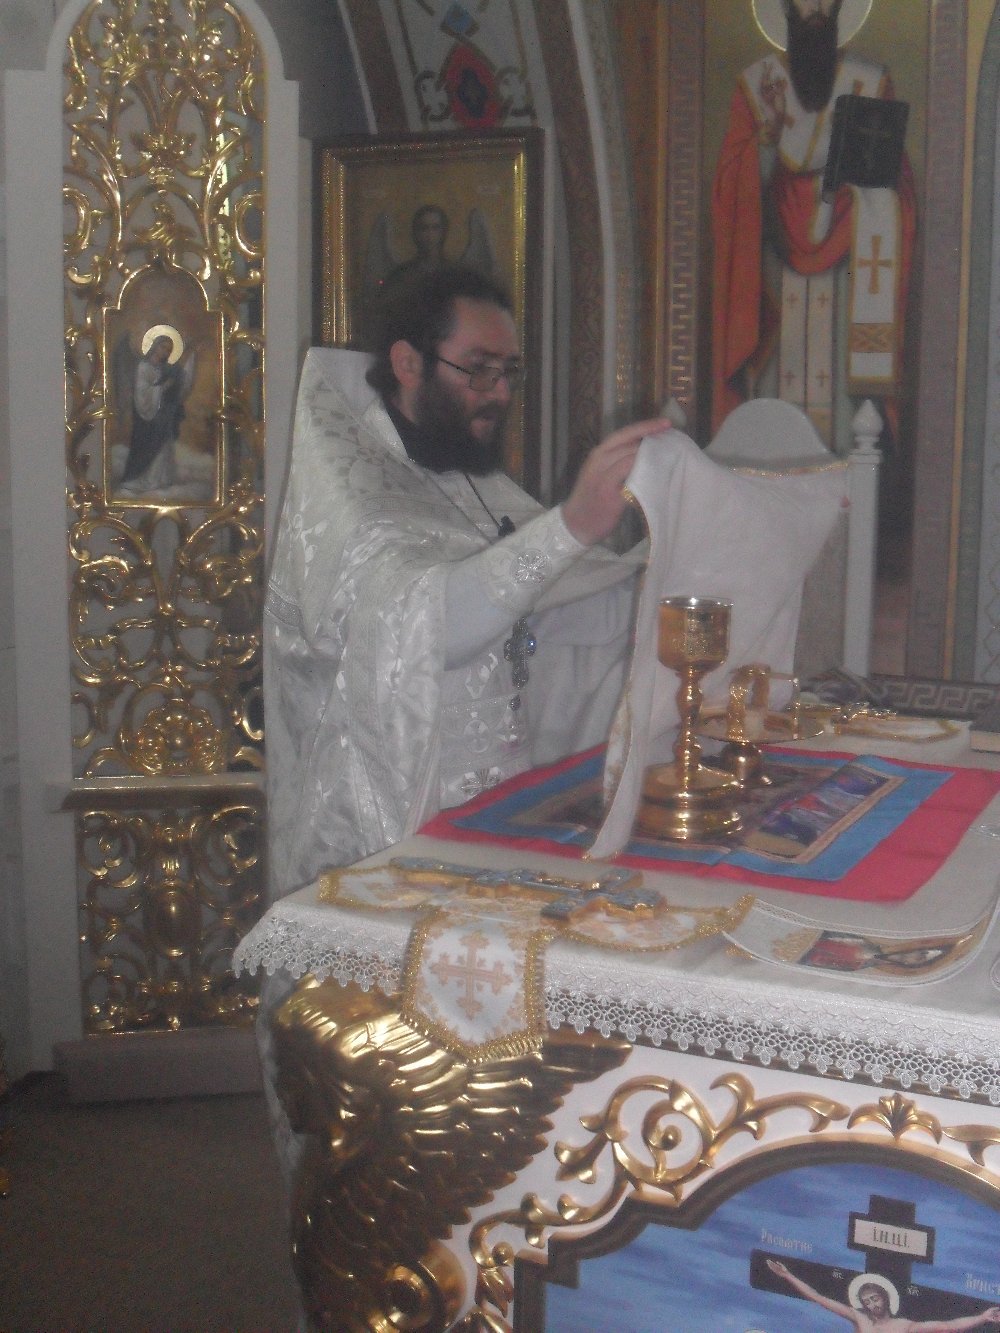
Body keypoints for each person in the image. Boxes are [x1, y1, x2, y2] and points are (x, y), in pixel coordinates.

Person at [264, 264, 670, 899]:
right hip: (380, 844)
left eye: (508, 371)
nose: (500, 392)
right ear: (408, 363)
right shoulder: (354, 502)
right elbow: (432, 627)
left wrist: (671, 570)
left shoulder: (465, 479)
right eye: (479, 369)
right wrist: (570, 527)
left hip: (494, 815)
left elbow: (555, 609)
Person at [712, 0, 917, 451]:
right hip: (774, 274)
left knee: (843, 410)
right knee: (774, 402)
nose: (818, 7)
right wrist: (765, 145)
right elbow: (731, 192)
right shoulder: (757, 86)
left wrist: (863, 197)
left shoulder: (870, 83)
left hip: (847, 271)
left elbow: (898, 187)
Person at [766, 1259, 1000, 1330]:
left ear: (885, 1298)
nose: (871, 1304)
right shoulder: (859, 1318)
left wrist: (982, 1317)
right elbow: (817, 1297)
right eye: (866, 1301)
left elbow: (948, 1326)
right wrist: (787, 1275)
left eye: (875, 1298)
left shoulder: (904, 1326)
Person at [118, 330, 196, 495]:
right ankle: (143, 479)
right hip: (146, 417)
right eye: (163, 347)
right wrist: (162, 388)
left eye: (169, 350)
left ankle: (161, 479)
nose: (165, 352)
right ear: (154, 346)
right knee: (148, 445)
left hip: (163, 415)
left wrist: (189, 358)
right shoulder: (144, 367)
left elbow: (181, 384)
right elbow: (142, 394)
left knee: (164, 444)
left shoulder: (165, 368)